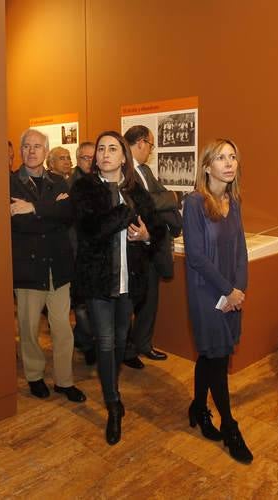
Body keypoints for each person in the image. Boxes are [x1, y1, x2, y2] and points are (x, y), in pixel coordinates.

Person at [70, 131, 164, 445]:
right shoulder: (84, 188)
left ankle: (113, 394)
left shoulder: (136, 190)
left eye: (113, 149)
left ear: (124, 157)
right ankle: (112, 403)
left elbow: (159, 231)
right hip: (98, 283)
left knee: (122, 339)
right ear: (95, 157)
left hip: (129, 282)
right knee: (106, 342)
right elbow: (91, 231)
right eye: (101, 149)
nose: (106, 153)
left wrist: (146, 236)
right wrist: (124, 213)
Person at [182, 139, 252, 463]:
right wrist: (226, 290)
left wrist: (239, 290)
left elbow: (241, 251)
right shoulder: (195, 203)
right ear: (207, 166)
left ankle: (198, 408)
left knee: (210, 356)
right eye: (220, 157)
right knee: (219, 359)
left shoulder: (233, 202)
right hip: (206, 292)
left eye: (232, 157)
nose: (228, 163)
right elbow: (196, 256)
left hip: (230, 294)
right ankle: (230, 426)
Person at [9, 128, 85, 404]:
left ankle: (64, 381)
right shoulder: (9, 183)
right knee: (29, 328)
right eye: (26, 146)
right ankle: (35, 376)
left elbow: (68, 214)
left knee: (62, 327)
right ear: (21, 151)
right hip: (28, 269)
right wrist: (50, 209)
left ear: (45, 151)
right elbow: (19, 223)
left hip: (58, 266)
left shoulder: (58, 181)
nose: (31, 151)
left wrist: (34, 208)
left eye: (37, 146)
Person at [122, 125, 181, 369]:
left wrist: (170, 197)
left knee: (150, 301)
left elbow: (161, 196)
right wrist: (173, 198)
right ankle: (126, 351)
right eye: (151, 145)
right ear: (141, 143)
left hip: (153, 244)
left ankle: (143, 344)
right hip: (133, 248)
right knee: (128, 305)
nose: (151, 150)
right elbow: (141, 203)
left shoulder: (145, 170)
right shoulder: (124, 172)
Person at [68, 141, 96, 364]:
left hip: (94, 254)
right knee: (82, 305)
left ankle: (84, 339)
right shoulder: (71, 185)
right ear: (78, 159)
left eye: (92, 157)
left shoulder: (97, 182)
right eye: (85, 158)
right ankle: (87, 345)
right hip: (77, 253)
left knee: (90, 303)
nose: (89, 161)